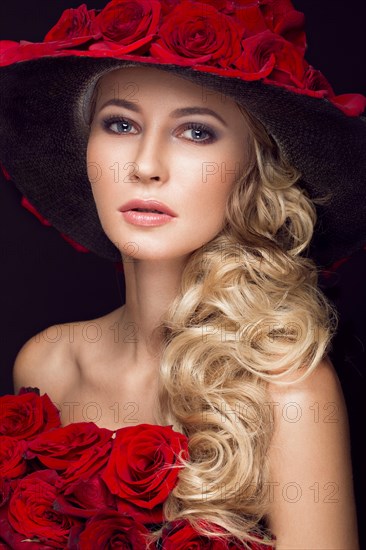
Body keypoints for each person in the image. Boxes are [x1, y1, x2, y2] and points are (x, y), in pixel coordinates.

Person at [0, 0, 365, 548]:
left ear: (252, 168)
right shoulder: (48, 364)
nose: (145, 165)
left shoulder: (288, 396)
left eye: (196, 132)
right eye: (120, 124)